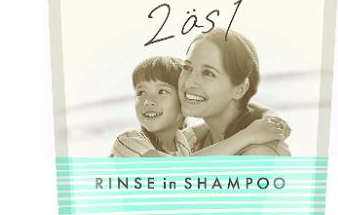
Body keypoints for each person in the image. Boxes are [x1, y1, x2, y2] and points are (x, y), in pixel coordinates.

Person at [110, 56, 287, 157]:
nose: (148, 101)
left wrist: (270, 118)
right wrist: (248, 136)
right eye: (141, 92)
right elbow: (180, 173)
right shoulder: (129, 142)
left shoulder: (182, 141)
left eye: (162, 91)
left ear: (184, 102)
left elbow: (225, 111)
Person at [179, 28, 291, 155]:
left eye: (208, 73)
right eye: (187, 67)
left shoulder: (259, 153)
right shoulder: (196, 140)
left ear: (240, 89)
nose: (188, 83)